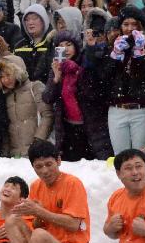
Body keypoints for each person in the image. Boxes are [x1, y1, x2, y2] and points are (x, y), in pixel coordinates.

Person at [0, 141, 91, 243]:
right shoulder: (36, 186)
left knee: (40, 235)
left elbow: (73, 224)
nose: (45, 171)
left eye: (49, 164)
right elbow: (37, 226)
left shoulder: (72, 183)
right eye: (39, 166)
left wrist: (40, 212)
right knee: (12, 220)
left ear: (59, 161)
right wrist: (38, 217)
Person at [43, 30, 111, 161]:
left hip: (90, 125)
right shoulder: (57, 67)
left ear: (76, 47)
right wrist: (56, 79)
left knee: (94, 165)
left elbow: (94, 94)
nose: (65, 49)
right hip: (68, 128)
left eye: (68, 44)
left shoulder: (86, 63)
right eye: (60, 46)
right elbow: (47, 98)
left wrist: (77, 72)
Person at [100, 8, 145, 153]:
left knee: (141, 155)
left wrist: (141, 54)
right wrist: (115, 55)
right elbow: (103, 79)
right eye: (126, 24)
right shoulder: (112, 46)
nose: (129, 28)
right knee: (121, 156)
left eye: (134, 24)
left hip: (141, 110)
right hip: (117, 109)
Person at [0, 55, 54, 158]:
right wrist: (5, 153)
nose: (5, 80)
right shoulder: (4, 96)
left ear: (18, 72)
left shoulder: (35, 87)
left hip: (38, 154)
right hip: (15, 156)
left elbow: (48, 115)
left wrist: (38, 141)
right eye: (1, 76)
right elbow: (7, 128)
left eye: (8, 74)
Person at [14, 4, 52, 82]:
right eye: (27, 20)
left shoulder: (52, 44)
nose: (30, 22)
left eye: (34, 18)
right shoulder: (19, 47)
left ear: (44, 20)